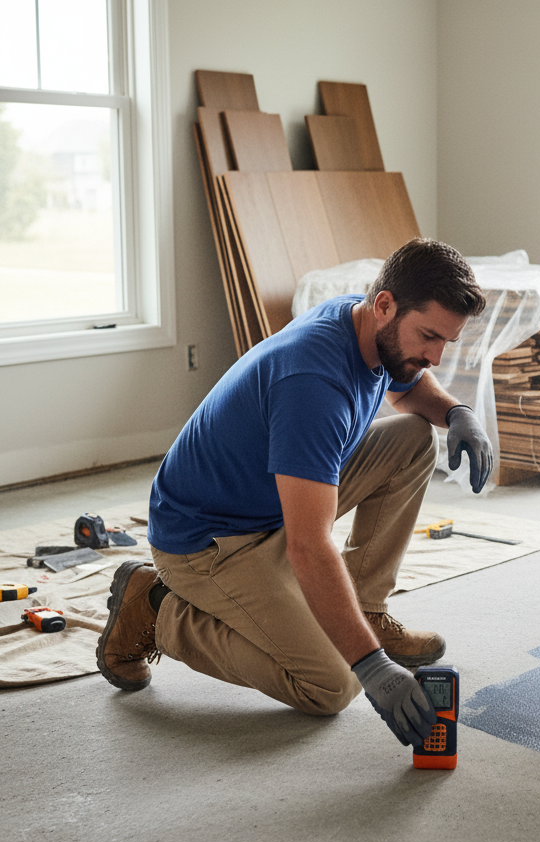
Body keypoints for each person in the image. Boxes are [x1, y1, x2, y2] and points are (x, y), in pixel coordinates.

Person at [96, 238, 493, 748]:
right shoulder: (313, 384)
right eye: (429, 337)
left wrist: (457, 413)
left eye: (447, 343)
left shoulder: (361, 323)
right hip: (206, 542)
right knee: (331, 685)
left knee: (414, 438)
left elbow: (402, 383)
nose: (434, 357)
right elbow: (309, 545)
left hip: (265, 505)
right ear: (385, 306)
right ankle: (155, 608)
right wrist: (370, 666)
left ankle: (365, 611)